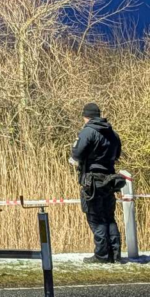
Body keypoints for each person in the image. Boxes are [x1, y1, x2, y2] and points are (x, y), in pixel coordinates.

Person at [70, 102, 123, 264]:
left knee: (95, 217)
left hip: (92, 180)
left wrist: (78, 160)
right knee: (109, 217)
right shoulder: (112, 133)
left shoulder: (88, 131)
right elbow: (117, 154)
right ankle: (115, 254)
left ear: (86, 116)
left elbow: (77, 153)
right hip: (109, 179)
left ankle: (101, 255)